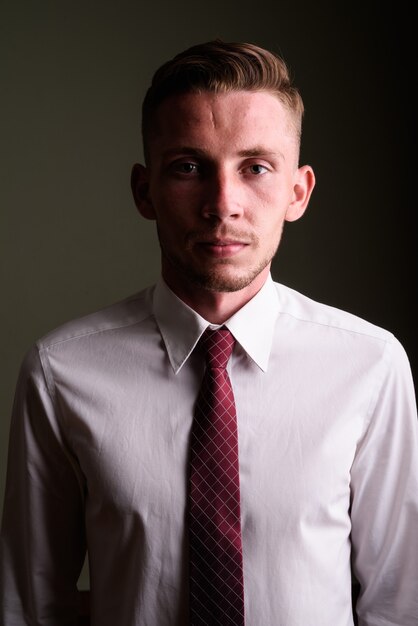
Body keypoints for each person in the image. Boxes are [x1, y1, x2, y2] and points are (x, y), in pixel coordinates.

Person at [1, 39, 417, 626]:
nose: (223, 204)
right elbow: (29, 604)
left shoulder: (371, 366)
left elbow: (400, 606)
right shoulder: (58, 372)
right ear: (144, 190)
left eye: (256, 168)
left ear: (298, 191)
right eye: (189, 168)